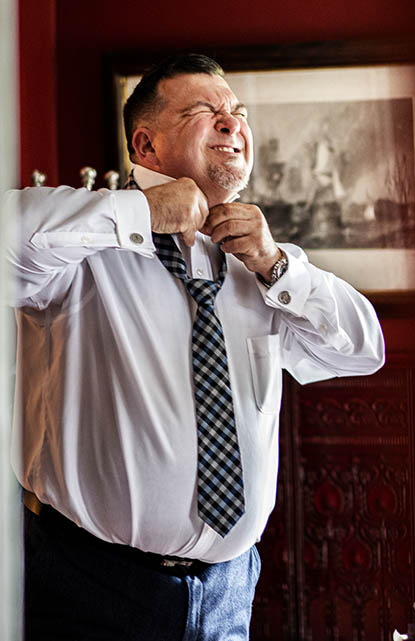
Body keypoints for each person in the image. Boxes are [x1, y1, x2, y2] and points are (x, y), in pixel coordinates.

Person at [5, 53, 385, 639]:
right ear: (146, 145)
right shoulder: (78, 254)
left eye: (237, 112)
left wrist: (275, 264)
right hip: (85, 586)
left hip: (229, 593)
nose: (233, 123)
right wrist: (140, 210)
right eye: (207, 112)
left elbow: (364, 348)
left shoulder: (261, 268)